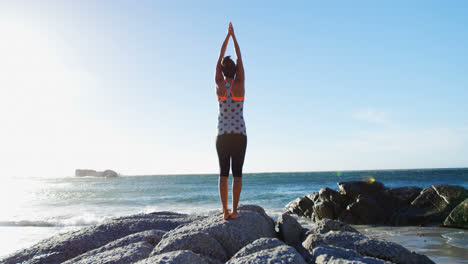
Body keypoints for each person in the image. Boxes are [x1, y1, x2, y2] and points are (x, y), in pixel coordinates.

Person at [215, 22, 247, 220]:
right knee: (238, 174)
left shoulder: (219, 85)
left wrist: (226, 37)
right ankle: (235, 210)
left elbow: (219, 58)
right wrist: (233, 36)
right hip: (239, 135)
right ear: (235, 70)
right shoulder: (240, 83)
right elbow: (240, 57)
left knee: (223, 174)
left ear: (222, 70)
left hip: (222, 135)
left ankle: (224, 212)